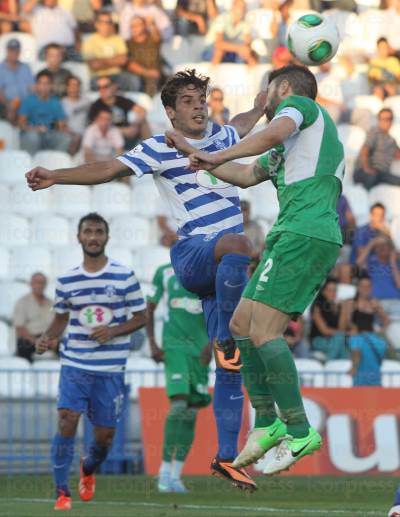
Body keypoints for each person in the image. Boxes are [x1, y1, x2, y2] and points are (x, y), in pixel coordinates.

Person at [26, 68, 268, 491]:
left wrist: (266, 102)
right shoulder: (160, 148)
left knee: (231, 366)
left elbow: (246, 121)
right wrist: (55, 176)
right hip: (194, 254)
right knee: (239, 242)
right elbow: (107, 168)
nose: (198, 107)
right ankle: (229, 340)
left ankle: (227, 456)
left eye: (202, 99)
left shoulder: (226, 138)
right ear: (172, 114)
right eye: (189, 102)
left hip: (223, 274)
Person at [165, 64, 344, 475]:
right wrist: (199, 159)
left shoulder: (300, 105)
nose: (262, 105)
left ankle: (299, 430)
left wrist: (217, 152)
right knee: (242, 324)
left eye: (266, 96)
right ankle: (266, 420)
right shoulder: (290, 147)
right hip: (293, 233)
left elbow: (274, 130)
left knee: (265, 332)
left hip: (304, 232)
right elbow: (245, 176)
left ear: (280, 89)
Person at [34, 212, 146, 511]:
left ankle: (88, 467)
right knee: (67, 419)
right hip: (75, 364)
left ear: (106, 237)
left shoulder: (124, 276)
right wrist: (47, 337)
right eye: (88, 232)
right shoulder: (67, 280)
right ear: (79, 237)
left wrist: (113, 330)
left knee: (104, 437)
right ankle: (62, 492)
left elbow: (141, 317)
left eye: (98, 232)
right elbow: (60, 320)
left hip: (110, 370)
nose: (93, 237)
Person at [147, 261, 212, 493]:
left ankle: (176, 474)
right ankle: (164, 470)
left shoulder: (209, 270)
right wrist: (152, 343)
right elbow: (150, 307)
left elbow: (220, 310)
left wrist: (212, 344)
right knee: (178, 405)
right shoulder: (163, 272)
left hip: (200, 351)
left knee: (191, 412)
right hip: (174, 347)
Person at [340, 275, 389, 386]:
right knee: (357, 342)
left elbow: (386, 320)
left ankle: (366, 375)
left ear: (371, 287)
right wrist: (351, 327)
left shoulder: (374, 303)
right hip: (354, 336)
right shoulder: (350, 303)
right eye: (362, 286)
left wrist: (380, 331)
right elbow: (343, 325)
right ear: (357, 287)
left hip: (370, 337)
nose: (365, 289)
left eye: (368, 286)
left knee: (375, 343)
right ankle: (357, 370)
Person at [88, 75, 151, 150]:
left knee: (143, 121)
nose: (102, 90)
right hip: (111, 139)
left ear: (114, 87)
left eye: (105, 86)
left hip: (129, 134)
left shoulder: (121, 100)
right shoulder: (96, 105)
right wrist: (120, 131)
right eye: (99, 87)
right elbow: (94, 127)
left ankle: (150, 149)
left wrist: (135, 125)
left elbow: (142, 110)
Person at [18, 70, 71, 155]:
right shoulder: (28, 101)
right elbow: (21, 124)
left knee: (65, 138)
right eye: (41, 83)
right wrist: (35, 129)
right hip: (30, 134)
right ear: (37, 85)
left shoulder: (56, 102)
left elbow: (61, 125)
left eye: (47, 84)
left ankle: (54, 164)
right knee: (33, 136)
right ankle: (31, 165)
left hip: (48, 134)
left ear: (51, 86)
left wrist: (65, 129)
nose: (44, 87)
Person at [82, 10, 131, 91]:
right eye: (103, 22)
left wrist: (101, 61)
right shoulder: (89, 41)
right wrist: (115, 59)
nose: (106, 25)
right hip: (97, 77)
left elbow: (123, 60)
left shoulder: (118, 39)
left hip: (116, 76)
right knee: (104, 86)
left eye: (109, 22)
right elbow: (94, 65)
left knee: (132, 80)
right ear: (96, 24)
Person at [354, 108, 400, 191]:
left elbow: (398, 155)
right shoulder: (374, 132)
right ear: (379, 120)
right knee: (372, 177)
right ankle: (365, 200)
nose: (386, 122)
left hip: (382, 174)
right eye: (383, 119)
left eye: (389, 119)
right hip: (365, 171)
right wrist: (366, 168)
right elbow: (365, 149)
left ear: (392, 120)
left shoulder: (392, 141)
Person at [356, 235, 400, 321]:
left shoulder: (397, 265)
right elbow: (357, 265)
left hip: (396, 302)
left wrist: (393, 263)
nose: (382, 248)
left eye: (385, 245)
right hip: (376, 304)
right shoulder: (371, 263)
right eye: (379, 246)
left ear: (391, 248)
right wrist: (371, 244)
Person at [13, 272, 53, 362]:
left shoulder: (51, 303)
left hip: (48, 339)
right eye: (37, 282)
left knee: (66, 345)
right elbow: (20, 328)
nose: (40, 285)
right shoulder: (22, 302)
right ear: (31, 284)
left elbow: (57, 324)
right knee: (22, 346)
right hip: (30, 339)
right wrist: (35, 341)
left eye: (42, 282)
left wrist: (54, 339)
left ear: (45, 285)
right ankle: (26, 373)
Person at [202, 0, 257, 65]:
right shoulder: (222, 19)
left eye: (244, 7)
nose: (242, 10)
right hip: (210, 51)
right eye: (240, 7)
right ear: (233, 7)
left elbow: (247, 44)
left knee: (249, 55)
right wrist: (239, 48)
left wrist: (246, 49)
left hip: (230, 52)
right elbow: (218, 44)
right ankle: (213, 73)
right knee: (219, 52)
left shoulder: (245, 23)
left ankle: (252, 74)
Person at [309, 278, 348, 360]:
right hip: (318, 339)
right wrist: (345, 333)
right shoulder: (317, 307)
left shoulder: (337, 306)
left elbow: (341, 328)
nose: (333, 293)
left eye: (335, 290)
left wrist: (343, 310)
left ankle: (334, 367)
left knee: (340, 342)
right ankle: (331, 364)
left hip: (334, 340)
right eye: (330, 290)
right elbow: (324, 331)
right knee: (340, 340)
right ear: (323, 291)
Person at [125, 15, 164, 97]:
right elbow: (129, 64)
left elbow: (157, 36)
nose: (134, 28)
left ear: (144, 26)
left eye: (137, 25)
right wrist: (148, 73)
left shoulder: (152, 39)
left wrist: (152, 24)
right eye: (132, 26)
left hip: (158, 75)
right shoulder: (127, 43)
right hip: (139, 75)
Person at [0, 38, 34, 124]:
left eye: (16, 51)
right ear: (7, 51)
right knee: (11, 110)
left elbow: (32, 88)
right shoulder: (1, 68)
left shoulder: (26, 67)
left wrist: (27, 103)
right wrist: (8, 103)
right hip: (7, 104)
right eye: (11, 51)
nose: (14, 53)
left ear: (19, 52)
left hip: (26, 104)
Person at [62, 75, 91, 154]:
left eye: (76, 85)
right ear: (67, 87)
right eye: (72, 85)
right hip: (68, 134)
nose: (74, 88)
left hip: (85, 134)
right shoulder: (62, 103)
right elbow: (61, 124)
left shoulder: (87, 102)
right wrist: (73, 134)